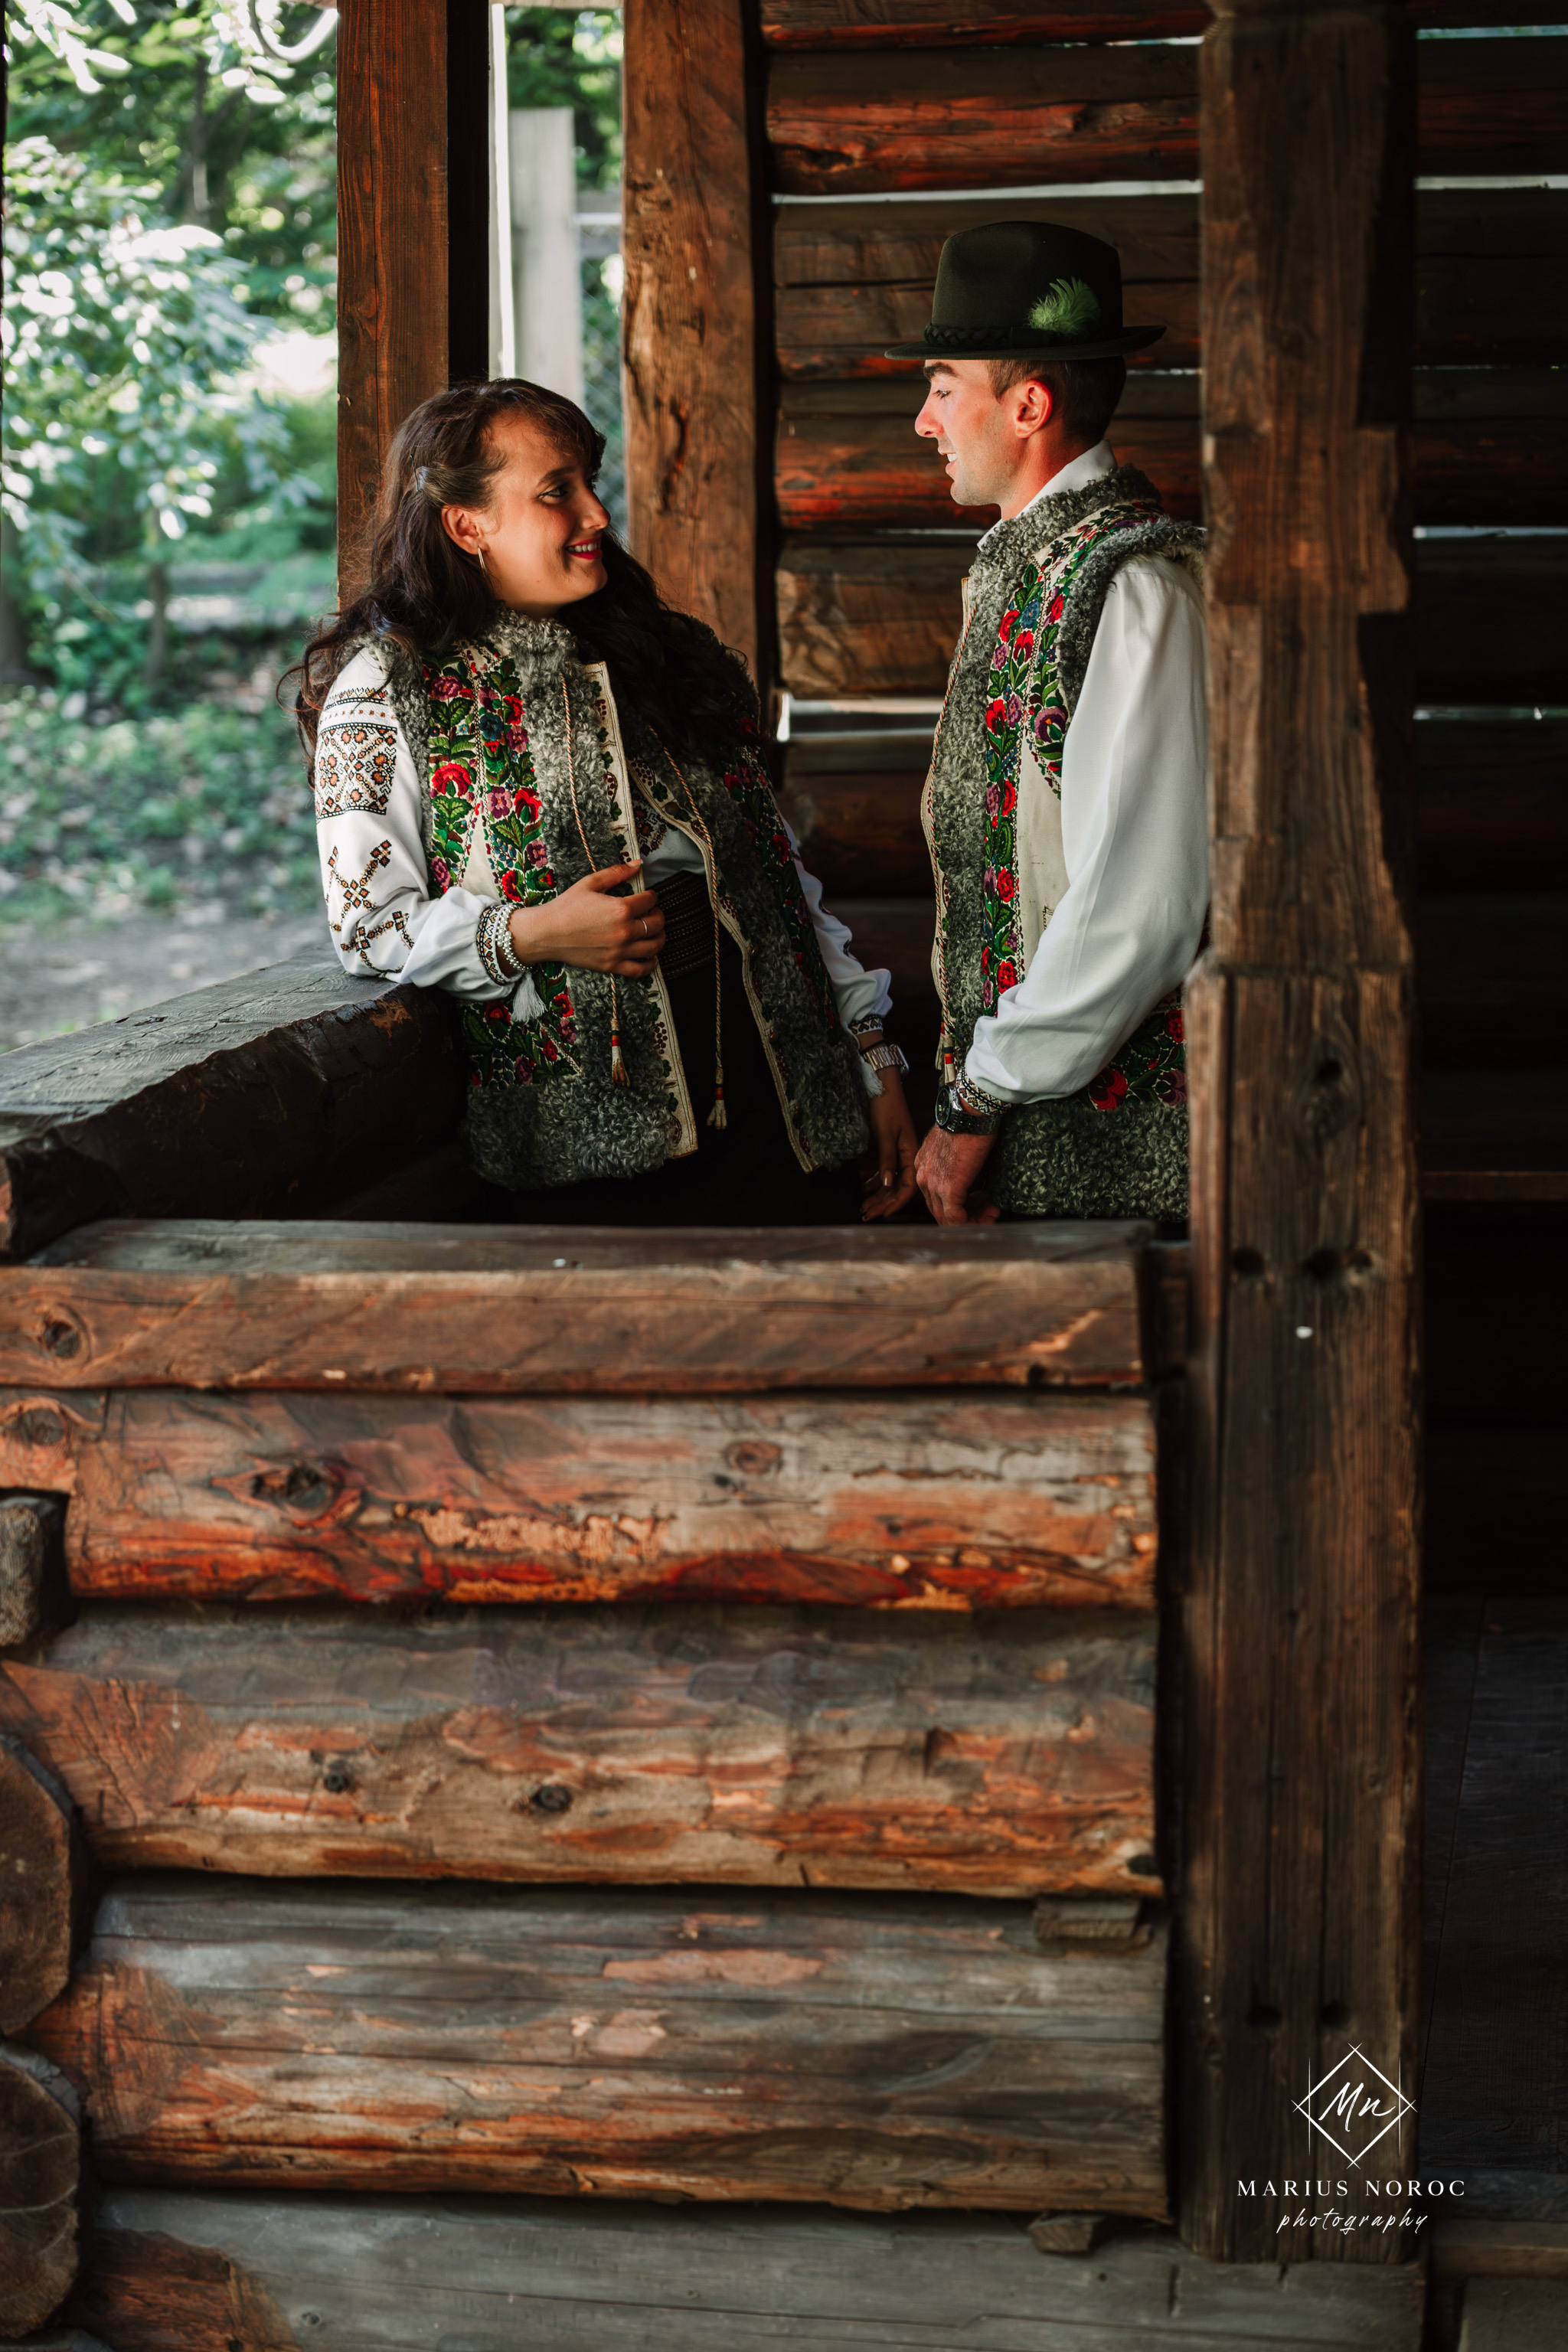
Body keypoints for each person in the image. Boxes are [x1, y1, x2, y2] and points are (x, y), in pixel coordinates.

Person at [294, 380, 917, 1225]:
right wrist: (531, 932)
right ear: (465, 523)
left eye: (590, 483)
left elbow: (778, 877)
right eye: (557, 493)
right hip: (588, 1152)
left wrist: (871, 1052)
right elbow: (366, 924)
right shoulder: (388, 687)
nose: (595, 515)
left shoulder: (668, 655)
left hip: (785, 1099)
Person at [884, 220, 1207, 1226]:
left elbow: (1143, 907)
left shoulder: (1130, 588)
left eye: (942, 386)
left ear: (1027, 404)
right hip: (1038, 1143)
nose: (923, 421)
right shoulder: (1036, 572)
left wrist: (984, 1093)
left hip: (1126, 1159)